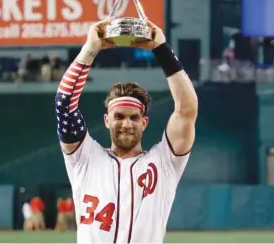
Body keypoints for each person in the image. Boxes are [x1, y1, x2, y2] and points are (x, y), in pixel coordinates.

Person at [55, 19, 198, 243]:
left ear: (145, 122)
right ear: (106, 120)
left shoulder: (165, 162)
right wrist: (90, 50)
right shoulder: (84, 157)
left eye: (134, 117)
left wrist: (161, 49)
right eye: (119, 116)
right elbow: (64, 105)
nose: (127, 124)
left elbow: (186, 111)